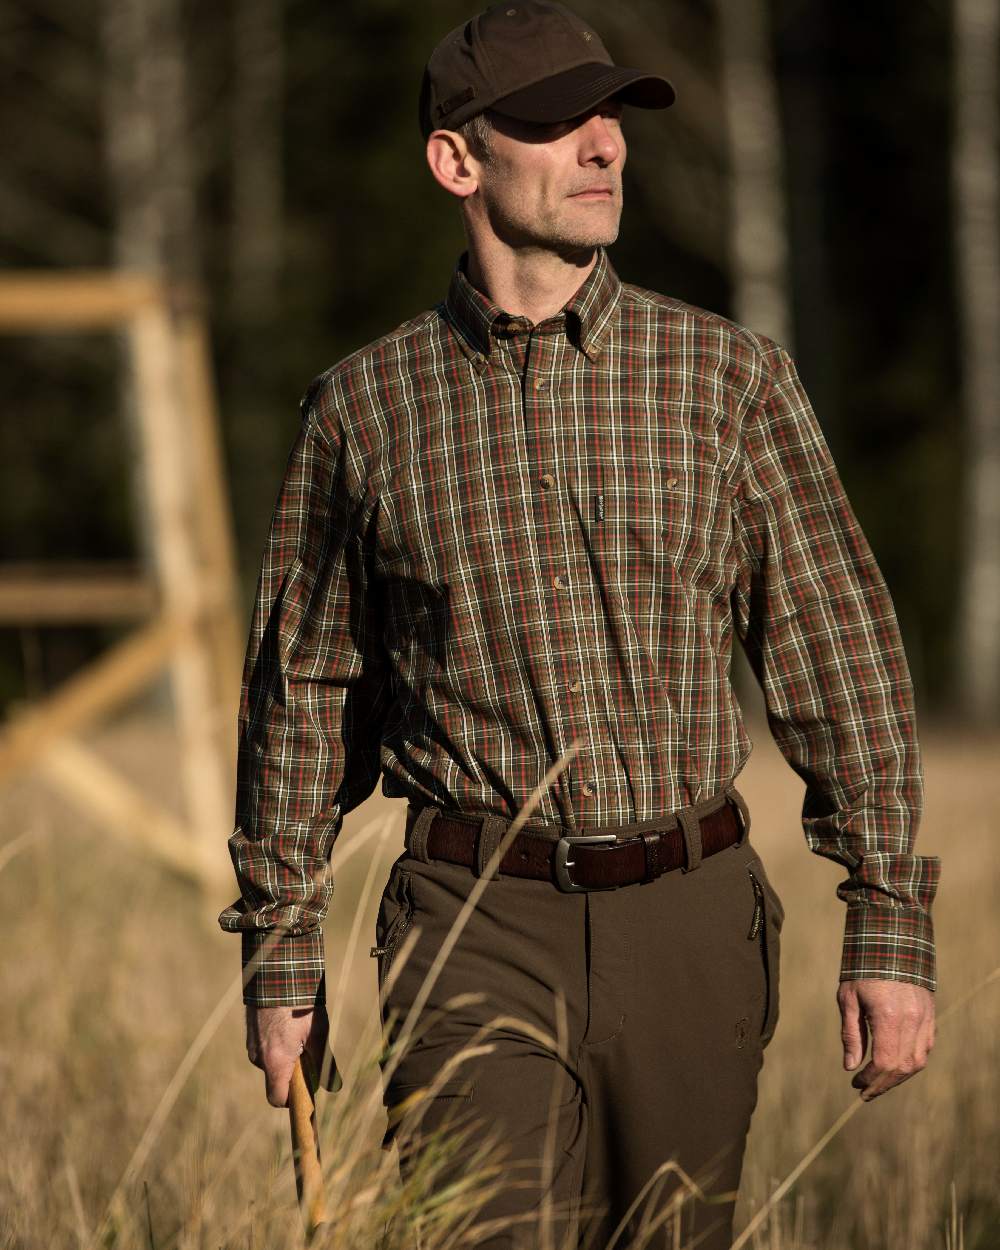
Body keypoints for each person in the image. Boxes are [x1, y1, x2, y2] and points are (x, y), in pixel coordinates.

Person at [218, 2, 941, 1246]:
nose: (603, 145)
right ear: (458, 160)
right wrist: (282, 953)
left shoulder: (728, 377)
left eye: (610, 116)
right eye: (556, 122)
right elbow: (304, 689)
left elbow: (840, 651)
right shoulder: (362, 409)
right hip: (470, 918)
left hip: (691, 917)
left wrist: (888, 921)